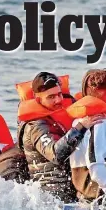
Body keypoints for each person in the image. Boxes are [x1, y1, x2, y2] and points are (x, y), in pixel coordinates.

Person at [17, 72, 99, 202]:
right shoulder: (35, 127)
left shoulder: (59, 114)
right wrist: (81, 126)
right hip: (51, 198)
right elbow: (56, 154)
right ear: (38, 100)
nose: (58, 100)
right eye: (51, 97)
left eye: (59, 94)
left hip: (71, 193)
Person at [67, 69, 106, 202]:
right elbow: (95, 166)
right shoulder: (98, 122)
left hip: (84, 194)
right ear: (99, 92)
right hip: (98, 196)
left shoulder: (78, 121)